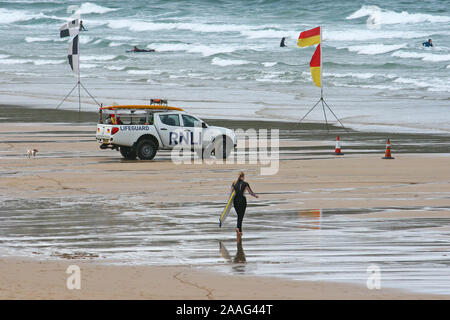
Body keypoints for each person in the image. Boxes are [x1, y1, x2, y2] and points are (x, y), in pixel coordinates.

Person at [231, 172, 258, 242]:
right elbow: (250, 192)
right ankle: (238, 228)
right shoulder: (245, 184)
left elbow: (231, 193)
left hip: (235, 201)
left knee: (239, 215)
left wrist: (230, 203)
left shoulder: (234, 183)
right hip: (242, 200)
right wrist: (255, 196)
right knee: (241, 216)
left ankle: (240, 231)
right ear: (243, 176)